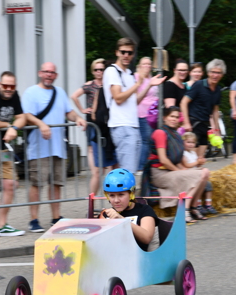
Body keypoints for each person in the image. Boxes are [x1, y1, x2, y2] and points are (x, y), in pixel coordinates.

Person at [0, 71, 47, 238]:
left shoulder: (14, 95)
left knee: (10, 183)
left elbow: (21, 118)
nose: (9, 89)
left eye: (12, 86)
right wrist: (8, 124)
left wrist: (14, 128)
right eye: (5, 86)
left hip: (2, 147)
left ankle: (2, 224)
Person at [22, 62, 86, 233]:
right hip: (38, 148)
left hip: (58, 146)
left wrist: (78, 118)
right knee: (37, 183)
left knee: (56, 183)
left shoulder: (60, 93)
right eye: (46, 72)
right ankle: (33, 219)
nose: (49, 75)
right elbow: (27, 115)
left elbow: (68, 112)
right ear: (40, 73)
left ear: (55, 75)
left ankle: (55, 217)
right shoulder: (31, 92)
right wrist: (41, 124)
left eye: (52, 72)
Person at [103, 37, 164, 174]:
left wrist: (148, 85)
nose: (126, 55)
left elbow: (134, 101)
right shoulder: (112, 71)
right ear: (117, 52)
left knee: (131, 171)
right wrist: (138, 84)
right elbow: (118, 98)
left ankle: (124, 195)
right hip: (121, 125)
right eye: (123, 52)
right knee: (128, 171)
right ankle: (124, 195)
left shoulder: (128, 74)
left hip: (132, 125)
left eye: (129, 53)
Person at [147, 107, 210, 223]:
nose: (174, 119)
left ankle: (193, 207)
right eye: (171, 116)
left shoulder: (176, 135)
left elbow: (182, 161)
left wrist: (194, 166)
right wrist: (180, 171)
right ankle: (184, 211)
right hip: (159, 174)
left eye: (176, 117)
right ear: (164, 118)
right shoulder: (160, 133)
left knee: (204, 173)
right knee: (200, 174)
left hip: (171, 171)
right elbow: (163, 160)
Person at [71, 58, 113, 196]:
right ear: (93, 71)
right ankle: (92, 199)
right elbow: (74, 96)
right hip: (93, 121)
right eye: (96, 69)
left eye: (101, 69)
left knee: (108, 163)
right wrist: (83, 110)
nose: (99, 72)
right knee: (92, 150)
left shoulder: (109, 84)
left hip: (107, 121)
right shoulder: (90, 85)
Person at [98, 168, 159, 252]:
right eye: (112, 195)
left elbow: (146, 238)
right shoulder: (106, 214)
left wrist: (122, 220)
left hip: (139, 259)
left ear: (131, 194)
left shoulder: (144, 210)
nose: (116, 200)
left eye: (121, 195)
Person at [181, 59, 226, 161]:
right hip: (194, 124)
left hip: (205, 126)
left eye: (218, 73)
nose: (215, 75)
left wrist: (217, 130)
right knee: (192, 159)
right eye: (213, 72)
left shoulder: (218, 89)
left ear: (222, 75)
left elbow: (215, 110)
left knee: (200, 160)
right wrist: (186, 122)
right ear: (208, 73)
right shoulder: (199, 85)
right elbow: (183, 102)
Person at [135, 56, 165, 173]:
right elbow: (137, 96)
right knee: (146, 140)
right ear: (139, 66)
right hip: (143, 113)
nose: (147, 66)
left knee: (152, 139)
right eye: (144, 64)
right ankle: (141, 166)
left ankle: (149, 164)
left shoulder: (152, 78)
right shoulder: (137, 77)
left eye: (149, 64)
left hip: (153, 114)